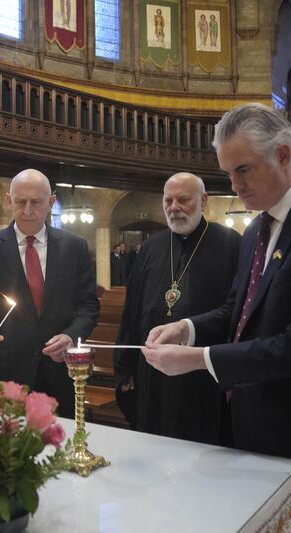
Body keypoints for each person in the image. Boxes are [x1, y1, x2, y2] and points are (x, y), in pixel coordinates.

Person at [141, 104, 291, 532]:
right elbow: (238, 310)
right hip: (254, 431)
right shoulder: (255, 230)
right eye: (228, 173)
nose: (235, 185)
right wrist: (188, 327)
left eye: (244, 170)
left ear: (283, 155)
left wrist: (198, 359)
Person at [0, 169, 99, 417]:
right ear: (8, 200)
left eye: (37, 202)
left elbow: (88, 306)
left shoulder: (74, 247)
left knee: (60, 449)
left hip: (59, 372)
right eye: (21, 202)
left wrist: (71, 336)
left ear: (51, 202)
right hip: (6, 372)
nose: (28, 210)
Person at [114, 173, 241, 445]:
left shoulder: (231, 244)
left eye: (183, 200)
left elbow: (237, 311)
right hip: (153, 373)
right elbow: (132, 311)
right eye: (168, 201)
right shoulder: (150, 248)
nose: (174, 208)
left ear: (203, 201)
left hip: (202, 374)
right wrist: (124, 369)